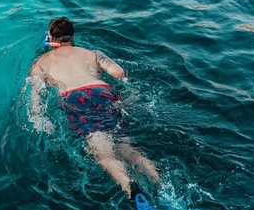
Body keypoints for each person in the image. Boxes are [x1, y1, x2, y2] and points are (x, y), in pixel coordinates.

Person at [28, 17, 160, 197]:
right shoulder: (92, 53)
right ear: (72, 37)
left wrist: (37, 116)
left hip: (74, 97)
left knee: (102, 150)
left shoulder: (41, 62)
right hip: (102, 92)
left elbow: (36, 90)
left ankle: (129, 186)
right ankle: (158, 182)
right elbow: (119, 72)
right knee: (125, 145)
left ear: (50, 38)